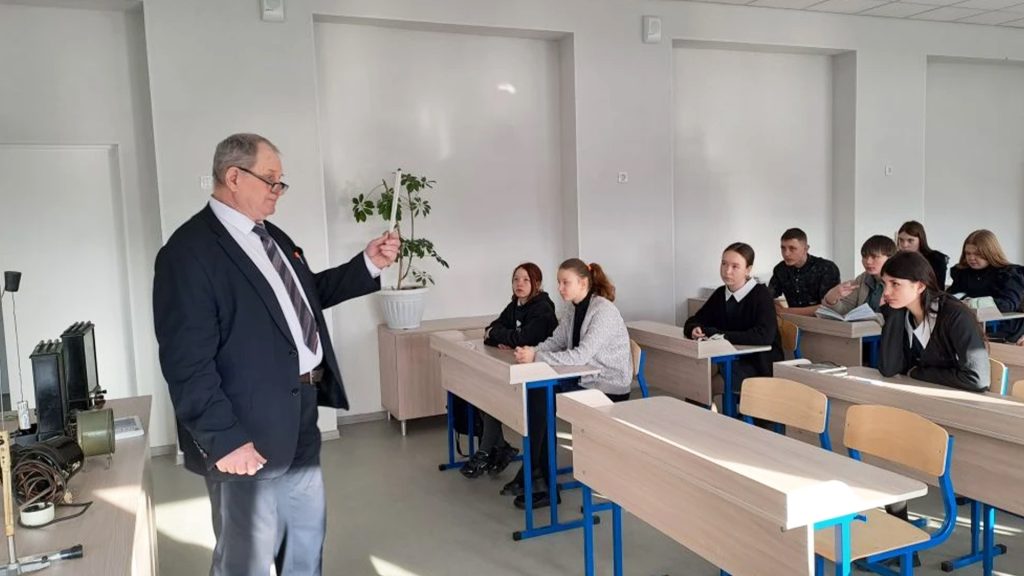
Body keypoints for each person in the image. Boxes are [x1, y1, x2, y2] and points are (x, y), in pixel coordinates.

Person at [153, 133, 400, 576]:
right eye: (270, 180)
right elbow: (186, 361)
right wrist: (224, 438)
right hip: (243, 426)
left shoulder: (272, 237)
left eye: (281, 181)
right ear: (233, 177)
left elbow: (306, 297)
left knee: (304, 538)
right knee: (246, 555)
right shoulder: (188, 252)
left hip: (300, 409)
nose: (278, 190)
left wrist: (367, 264)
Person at [508, 259, 632, 509]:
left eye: (566, 283)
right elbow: (556, 341)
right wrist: (531, 350)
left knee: (541, 399)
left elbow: (580, 355)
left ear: (583, 283)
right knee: (537, 394)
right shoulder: (573, 309)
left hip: (606, 386)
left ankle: (540, 479)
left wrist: (536, 357)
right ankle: (539, 477)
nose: (560, 288)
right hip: (582, 378)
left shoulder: (603, 311)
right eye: (559, 283)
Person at [459, 263, 557, 479]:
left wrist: (505, 336)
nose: (519, 284)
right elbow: (490, 331)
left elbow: (523, 338)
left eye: (526, 280)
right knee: (485, 393)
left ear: (537, 284)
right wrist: (504, 337)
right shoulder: (515, 305)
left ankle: (489, 451)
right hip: (516, 367)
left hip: (539, 374)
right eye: (516, 279)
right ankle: (498, 447)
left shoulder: (543, 309)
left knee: (493, 396)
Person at [877, 251, 989, 392]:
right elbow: (889, 369)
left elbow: (977, 379)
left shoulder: (955, 315)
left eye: (895, 284)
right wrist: (892, 313)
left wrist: (917, 373)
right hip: (923, 394)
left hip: (961, 399)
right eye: (884, 284)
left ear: (920, 286)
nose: (886, 292)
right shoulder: (902, 312)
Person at [684, 243, 783, 401]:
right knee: (697, 375)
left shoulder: (761, 295)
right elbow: (695, 320)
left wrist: (719, 335)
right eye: (724, 264)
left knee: (703, 388)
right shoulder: (720, 293)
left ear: (748, 269)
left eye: (735, 266)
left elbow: (763, 336)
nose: (727, 271)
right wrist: (694, 328)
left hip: (757, 364)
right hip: (728, 358)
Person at [948, 229, 1024, 342]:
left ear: (990, 253)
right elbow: (952, 296)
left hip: (1002, 328)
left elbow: (1008, 304)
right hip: (969, 326)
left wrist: (972, 303)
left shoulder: (1009, 273)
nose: (971, 258)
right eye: (968, 253)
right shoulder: (963, 273)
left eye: (977, 254)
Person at [768, 228, 841, 316]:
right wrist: (776, 306)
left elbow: (827, 308)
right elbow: (767, 297)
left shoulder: (826, 268)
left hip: (823, 321)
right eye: (783, 248)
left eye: (792, 248)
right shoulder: (780, 269)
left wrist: (786, 311)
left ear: (806, 249)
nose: (786, 253)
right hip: (793, 321)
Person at [820, 235, 896, 315]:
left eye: (874, 257)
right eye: (864, 256)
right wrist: (832, 297)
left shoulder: (898, 282)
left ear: (890, 258)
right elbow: (845, 310)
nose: (868, 262)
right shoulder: (862, 279)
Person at [897, 220, 950, 289]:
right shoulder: (896, 259)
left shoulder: (936, 259)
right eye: (901, 240)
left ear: (921, 240)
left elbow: (938, 288)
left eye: (910, 240)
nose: (904, 245)